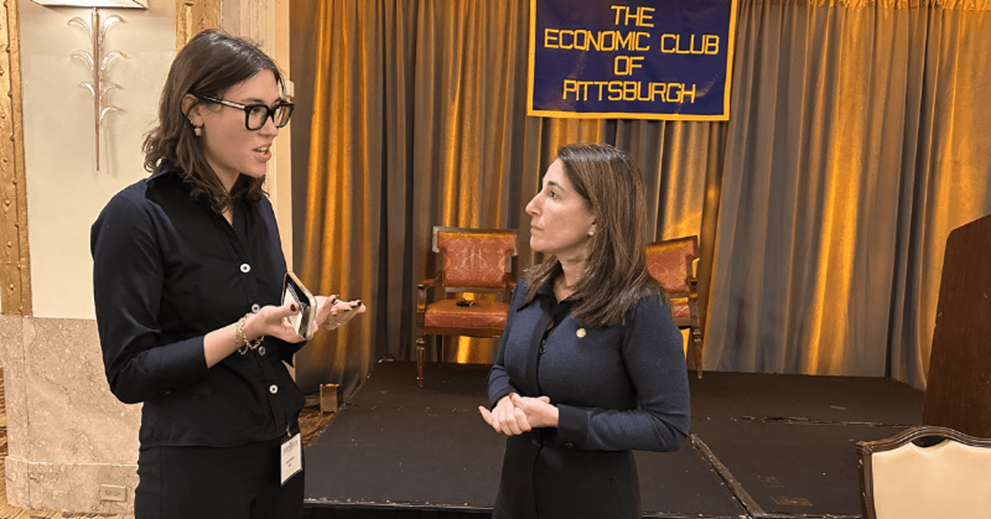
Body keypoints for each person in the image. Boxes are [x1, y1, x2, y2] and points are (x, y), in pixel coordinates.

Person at [90, 29, 364, 519]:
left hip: (278, 444)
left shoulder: (257, 209)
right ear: (195, 109)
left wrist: (304, 320)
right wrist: (243, 330)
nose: (272, 128)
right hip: (197, 463)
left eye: (277, 110)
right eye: (254, 110)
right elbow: (130, 374)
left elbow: (272, 344)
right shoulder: (136, 217)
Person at [478, 143, 691, 519]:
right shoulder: (529, 288)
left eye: (553, 194)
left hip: (592, 505)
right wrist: (504, 401)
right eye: (540, 189)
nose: (532, 205)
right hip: (514, 501)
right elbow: (500, 369)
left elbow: (667, 427)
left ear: (598, 218)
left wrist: (560, 419)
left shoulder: (641, 306)